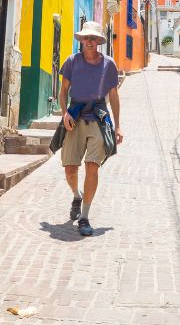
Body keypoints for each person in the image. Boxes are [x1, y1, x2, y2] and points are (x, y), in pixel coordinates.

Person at [58, 21, 124, 236]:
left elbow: (113, 96)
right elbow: (63, 92)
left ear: (98, 41)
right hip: (75, 116)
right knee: (70, 170)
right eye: (86, 37)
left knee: (92, 168)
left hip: (98, 117)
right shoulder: (72, 62)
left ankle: (85, 217)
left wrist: (118, 127)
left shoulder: (109, 64)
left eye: (93, 38)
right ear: (81, 40)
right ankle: (77, 196)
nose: (89, 41)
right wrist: (64, 113)